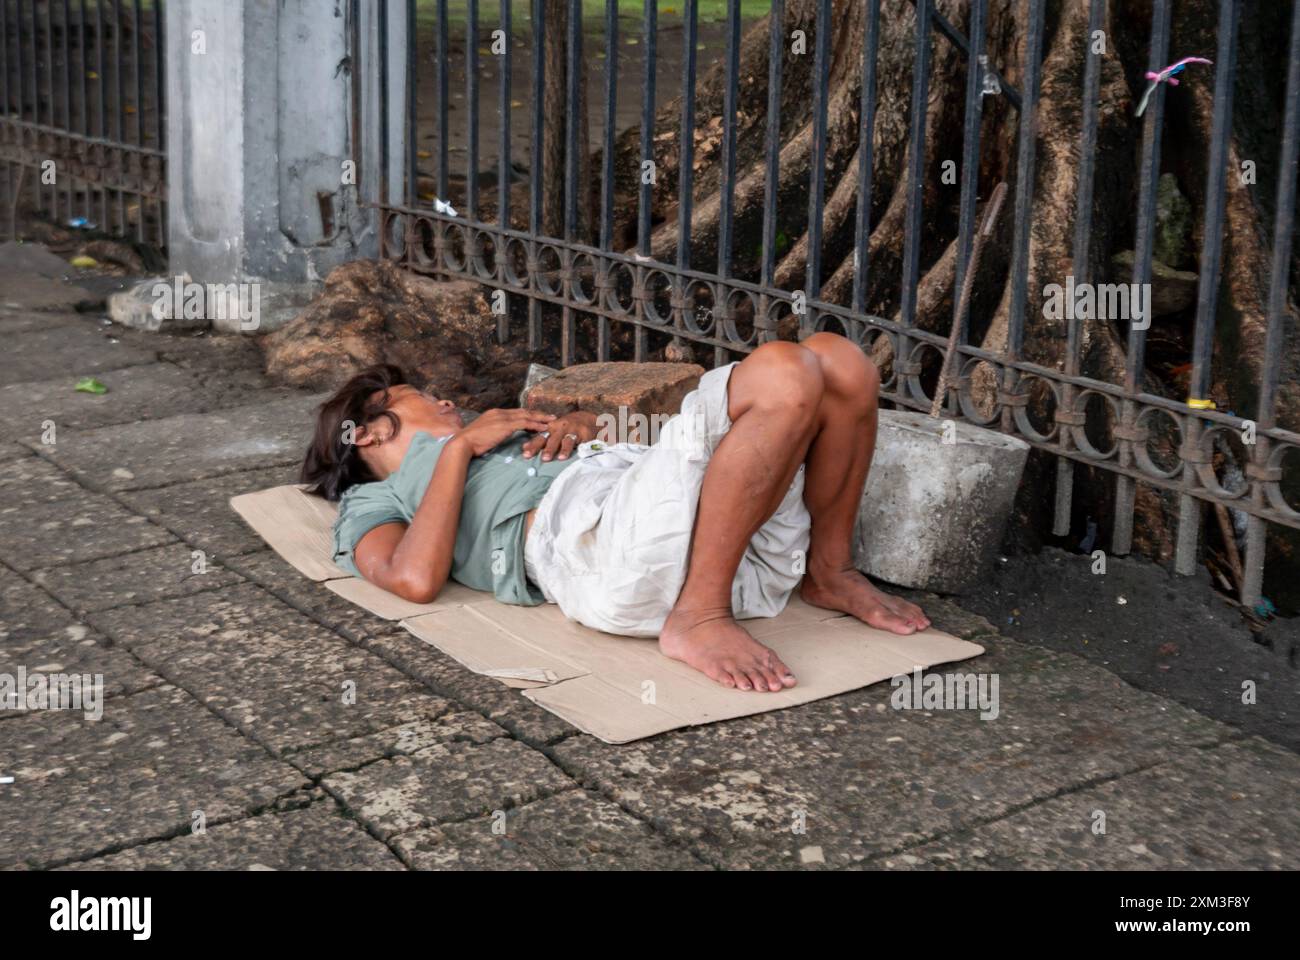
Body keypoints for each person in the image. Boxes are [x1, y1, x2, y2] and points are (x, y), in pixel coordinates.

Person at [301, 332, 930, 694]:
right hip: (605, 557)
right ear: (366, 435)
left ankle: (827, 569)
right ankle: (698, 617)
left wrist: (589, 426)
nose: (446, 402)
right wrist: (458, 450)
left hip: (713, 543)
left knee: (842, 362)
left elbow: (649, 461)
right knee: (786, 370)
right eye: (418, 399)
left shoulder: (499, 434)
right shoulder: (375, 499)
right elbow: (413, 580)